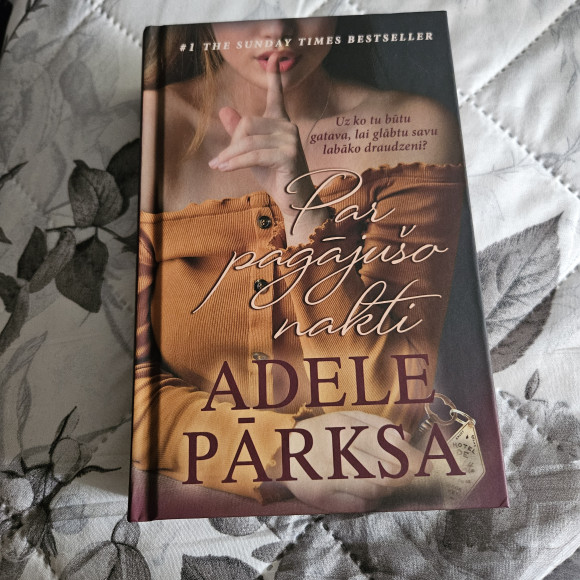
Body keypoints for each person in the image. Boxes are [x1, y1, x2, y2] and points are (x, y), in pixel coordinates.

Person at [132, 17, 466, 513]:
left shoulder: (412, 130)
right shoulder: (151, 126)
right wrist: (283, 451)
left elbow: (388, 406)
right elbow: (131, 396)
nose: (276, 28)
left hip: (380, 497)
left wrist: (302, 211)